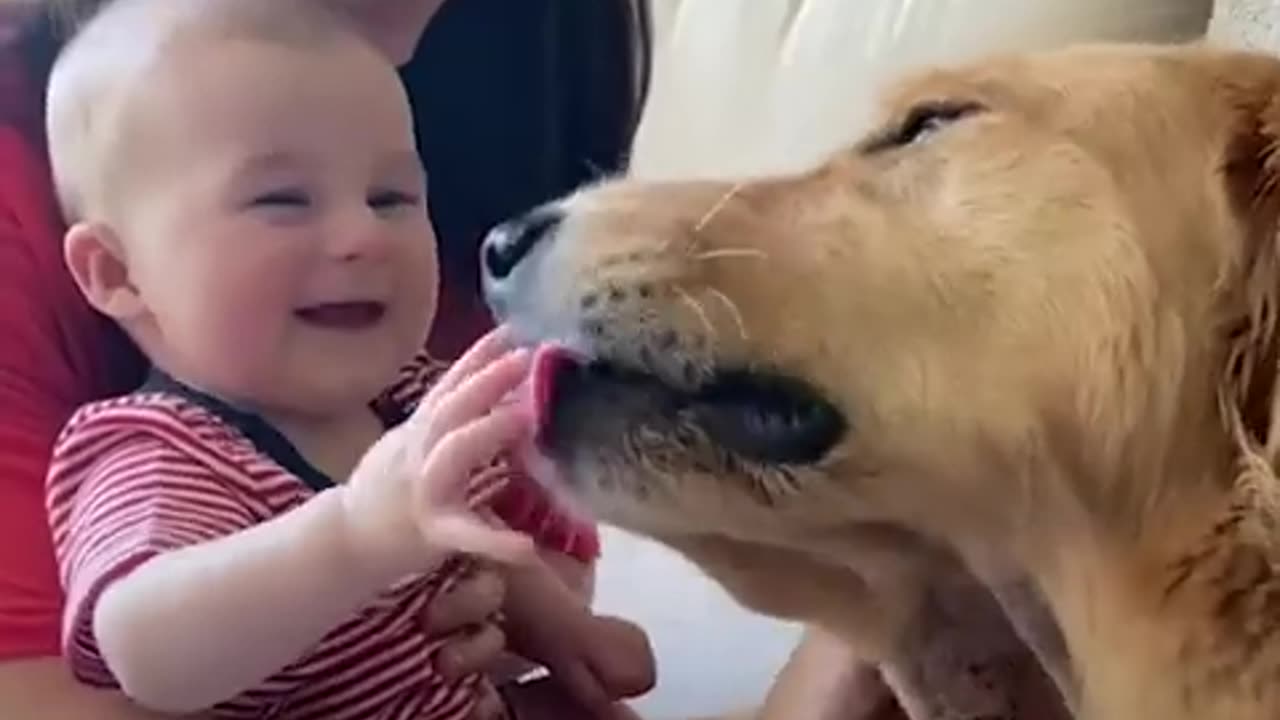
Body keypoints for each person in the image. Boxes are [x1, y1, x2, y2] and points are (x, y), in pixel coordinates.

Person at [0, 0, 653, 718]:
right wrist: (352, 538)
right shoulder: (156, 451)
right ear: (119, 274)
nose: (359, 235)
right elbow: (142, 650)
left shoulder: (404, 398)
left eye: (391, 197)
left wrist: (565, 636)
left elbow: (476, 542)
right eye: (282, 200)